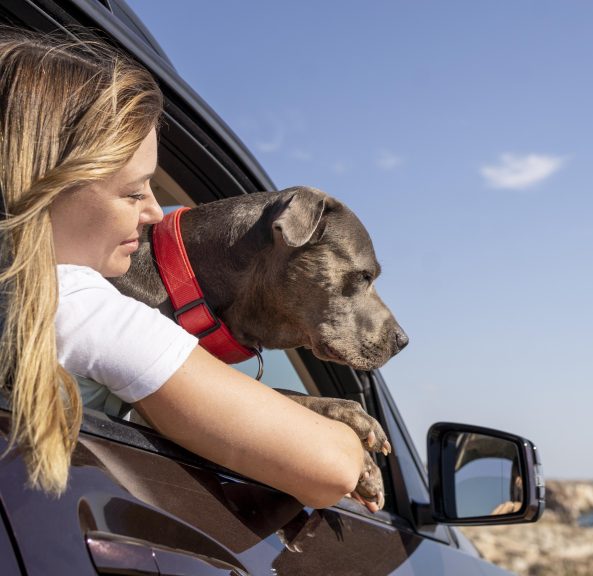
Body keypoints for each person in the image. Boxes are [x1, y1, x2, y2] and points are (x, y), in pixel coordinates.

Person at [0, 27, 375, 511]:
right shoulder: (75, 304)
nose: (155, 212)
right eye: (134, 192)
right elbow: (332, 467)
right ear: (49, 187)